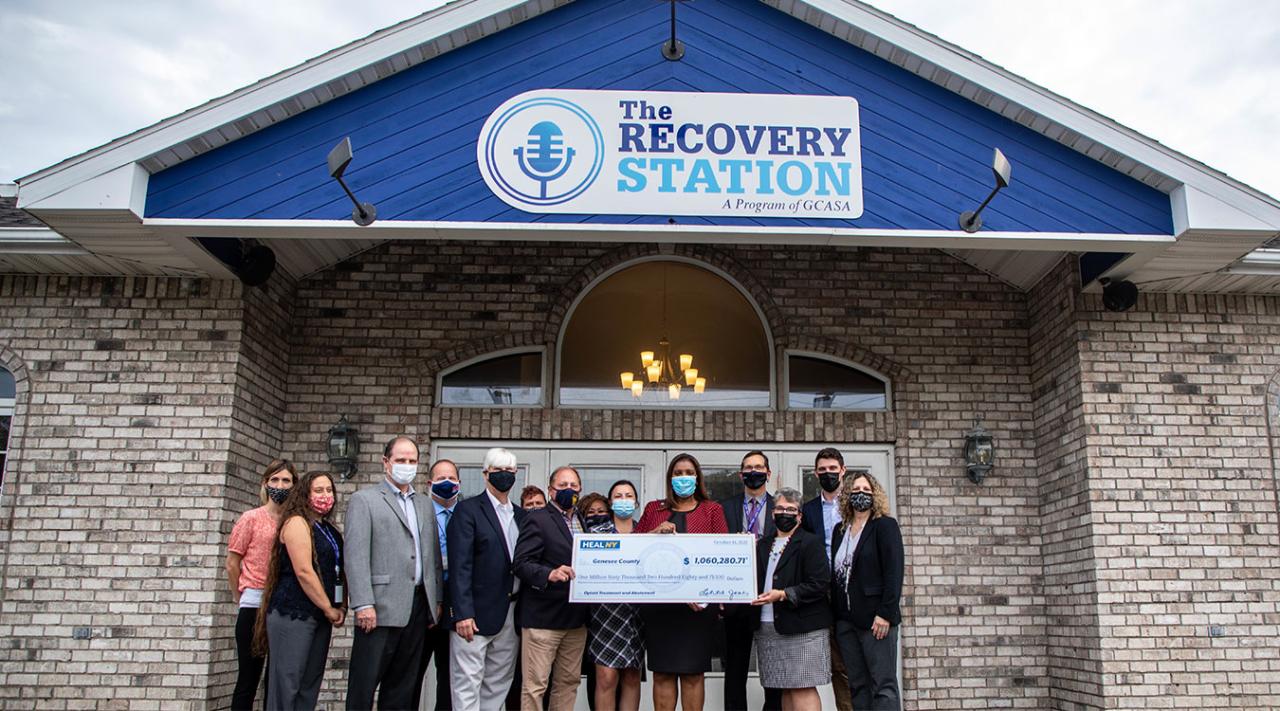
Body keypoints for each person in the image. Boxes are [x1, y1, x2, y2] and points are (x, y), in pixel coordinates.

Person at [345, 436, 444, 711]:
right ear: (386, 462)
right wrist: (364, 603)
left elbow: (432, 556)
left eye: (412, 461)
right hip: (378, 609)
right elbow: (355, 556)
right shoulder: (364, 501)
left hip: (416, 607)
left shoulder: (424, 504)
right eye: (401, 460)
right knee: (364, 685)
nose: (407, 466)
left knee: (402, 687)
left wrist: (434, 600)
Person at [635, 454, 728, 711]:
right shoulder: (654, 509)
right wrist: (655, 532)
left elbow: (720, 555)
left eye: (688, 472)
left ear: (697, 478)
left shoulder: (713, 510)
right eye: (677, 473)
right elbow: (633, 548)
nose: (683, 478)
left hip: (696, 608)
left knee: (693, 674)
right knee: (662, 673)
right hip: (661, 606)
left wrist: (704, 594)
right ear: (670, 478)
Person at [254, 471, 345, 711]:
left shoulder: (329, 530)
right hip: (293, 613)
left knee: (309, 684)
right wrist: (328, 607)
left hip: (320, 617)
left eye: (329, 490)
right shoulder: (296, 522)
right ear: (304, 494)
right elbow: (304, 571)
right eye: (318, 490)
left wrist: (340, 606)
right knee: (287, 684)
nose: (325, 495)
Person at [448, 448, 527, 711]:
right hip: (475, 614)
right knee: (467, 683)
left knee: (498, 682)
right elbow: (460, 565)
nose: (504, 475)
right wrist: (462, 613)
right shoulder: (467, 511)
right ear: (485, 474)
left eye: (510, 471)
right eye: (498, 470)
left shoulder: (521, 515)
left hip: (511, 611)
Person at [512, 466, 589, 711]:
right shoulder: (537, 518)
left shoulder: (582, 520)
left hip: (576, 621)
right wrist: (549, 574)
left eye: (573, 486)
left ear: (580, 489)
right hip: (542, 620)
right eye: (562, 485)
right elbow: (521, 564)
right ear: (550, 490)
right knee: (535, 686)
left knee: (568, 683)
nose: (569, 490)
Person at [750, 487, 831, 711]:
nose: (784, 513)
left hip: (803, 628)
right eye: (779, 508)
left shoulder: (810, 542)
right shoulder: (763, 544)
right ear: (773, 513)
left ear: (799, 516)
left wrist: (784, 594)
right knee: (784, 686)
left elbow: (820, 583)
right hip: (769, 627)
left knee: (802, 687)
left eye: (790, 509)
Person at [226, 459, 296, 711]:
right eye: (274, 480)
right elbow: (233, 562)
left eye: (286, 480)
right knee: (248, 678)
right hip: (254, 602)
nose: (280, 485)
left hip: (283, 604)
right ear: (265, 483)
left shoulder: (294, 520)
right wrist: (240, 596)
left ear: (294, 485)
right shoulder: (251, 518)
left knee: (276, 680)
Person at [830, 472, 903, 711]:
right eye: (856, 489)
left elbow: (894, 571)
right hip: (846, 623)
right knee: (858, 686)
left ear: (875, 495)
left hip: (876, 620)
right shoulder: (839, 531)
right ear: (848, 495)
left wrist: (886, 613)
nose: (861, 494)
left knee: (883, 686)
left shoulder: (884, 526)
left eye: (867, 489)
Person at [717, 451, 781, 711]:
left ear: (768, 473)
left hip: (770, 597)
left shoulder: (782, 507)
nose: (753, 472)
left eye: (758, 467)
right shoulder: (725, 507)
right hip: (736, 598)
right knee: (735, 670)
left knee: (774, 670)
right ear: (741, 474)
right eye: (748, 468)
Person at [800, 447, 853, 711]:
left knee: (853, 662)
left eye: (833, 469)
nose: (828, 474)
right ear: (815, 473)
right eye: (822, 470)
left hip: (852, 591)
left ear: (843, 471)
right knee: (833, 664)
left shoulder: (856, 504)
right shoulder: (807, 510)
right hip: (822, 594)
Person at [586, 482, 644, 711]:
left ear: (636, 502)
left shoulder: (644, 532)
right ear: (610, 503)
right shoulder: (595, 533)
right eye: (618, 496)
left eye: (629, 496)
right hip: (605, 614)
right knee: (606, 677)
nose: (624, 499)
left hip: (636, 614)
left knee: (631, 676)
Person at [416, 458, 462, 710]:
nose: (447, 483)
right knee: (412, 674)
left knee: (449, 678)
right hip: (422, 606)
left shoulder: (466, 515)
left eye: (452, 479)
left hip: (454, 609)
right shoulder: (417, 512)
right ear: (429, 483)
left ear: (459, 483)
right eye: (441, 479)